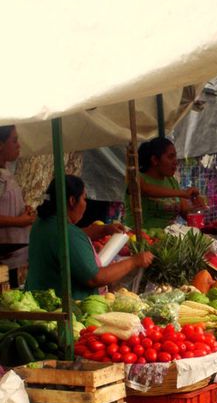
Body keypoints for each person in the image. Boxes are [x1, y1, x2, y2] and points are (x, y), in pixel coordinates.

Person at [26, 175, 154, 300]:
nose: (85, 204)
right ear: (71, 201)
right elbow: (95, 278)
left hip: (39, 298)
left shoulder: (41, 224)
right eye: (84, 199)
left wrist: (102, 230)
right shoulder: (68, 233)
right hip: (66, 308)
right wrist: (134, 261)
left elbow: (61, 240)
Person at [124, 137, 205, 230]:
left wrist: (196, 207)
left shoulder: (172, 181)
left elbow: (185, 213)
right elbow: (145, 190)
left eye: (175, 157)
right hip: (142, 238)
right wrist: (183, 193)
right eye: (170, 157)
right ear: (155, 160)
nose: (175, 162)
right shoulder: (136, 178)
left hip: (168, 237)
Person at [0, 125, 36, 287]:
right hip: (4, 254)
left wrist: (23, 210)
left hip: (13, 254)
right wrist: (20, 221)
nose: (19, 145)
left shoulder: (6, 173)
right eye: (14, 141)